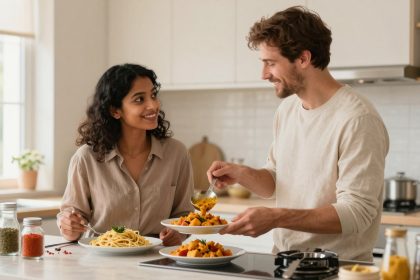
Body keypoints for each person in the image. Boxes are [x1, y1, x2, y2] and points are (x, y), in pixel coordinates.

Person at [207, 6, 389, 261]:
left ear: (303, 59)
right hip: (284, 262)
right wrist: (240, 173)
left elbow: (357, 213)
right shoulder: (287, 109)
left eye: (271, 63)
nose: (264, 74)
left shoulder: (357, 119)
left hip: (337, 269)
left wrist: (277, 217)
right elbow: (276, 180)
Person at [57, 63, 193, 246]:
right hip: (103, 260)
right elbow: (72, 218)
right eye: (139, 99)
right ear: (115, 111)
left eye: (153, 95)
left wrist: (179, 233)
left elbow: (184, 214)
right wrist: (69, 225)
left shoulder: (176, 153)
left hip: (158, 260)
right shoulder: (86, 158)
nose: (153, 105)